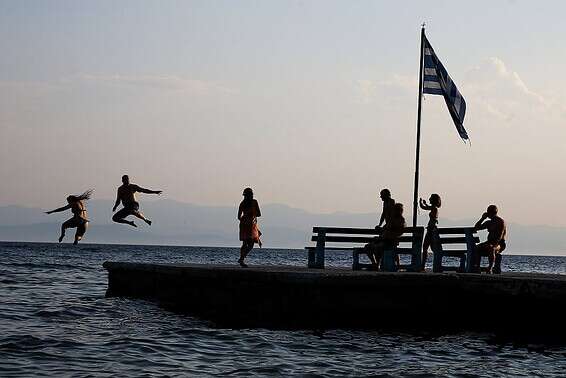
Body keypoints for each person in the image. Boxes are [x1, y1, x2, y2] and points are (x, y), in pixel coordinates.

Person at [471, 205, 507, 274]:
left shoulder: (500, 222)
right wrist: (482, 218)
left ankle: (490, 268)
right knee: (477, 248)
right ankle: (477, 267)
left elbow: (500, 237)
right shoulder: (489, 222)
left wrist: (492, 245)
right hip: (489, 242)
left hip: (499, 244)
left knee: (491, 248)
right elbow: (476, 228)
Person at [371, 203, 406, 269]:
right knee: (368, 247)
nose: (392, 211)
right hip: (384, 240)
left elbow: (397, 232)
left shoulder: (400, 220)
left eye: (394, 210)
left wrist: (388, 231)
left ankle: (377, 264)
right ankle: (375, 264)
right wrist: (380, 229)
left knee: (377, 247)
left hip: (390, 242)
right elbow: (385, 228)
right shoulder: (391, 219)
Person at [237, 187, 262, 267]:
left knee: (247, 243)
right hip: (247, 224)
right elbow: (258, 214)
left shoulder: (248, 203)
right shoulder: (247, 203)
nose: (250, 196)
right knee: (248, 244)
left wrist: (246, 217)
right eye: (249, 195)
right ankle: (242, 259)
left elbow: (258, 214)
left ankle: (242, 259)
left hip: (249, 224)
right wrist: (248, 216)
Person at [419, 194, 441, 271]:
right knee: (432, 248)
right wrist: (423, 203)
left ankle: (422, 266)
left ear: (433, 200)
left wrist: (420, 203)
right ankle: (435, 264)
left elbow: (424, 207)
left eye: (430, 198)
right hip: (432, 229)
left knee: (425, 247)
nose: (429, 199)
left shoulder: (433, 208)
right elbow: (426, 207)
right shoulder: (434, 208)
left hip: (431, 230)